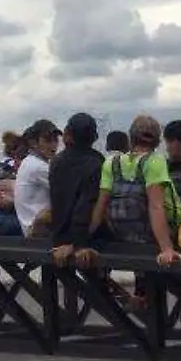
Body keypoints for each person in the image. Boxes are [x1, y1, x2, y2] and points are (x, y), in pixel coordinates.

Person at [90, 114, 181, 264]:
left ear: (130, 138)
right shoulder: (154, 161)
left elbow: (101, 205)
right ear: (157, 141)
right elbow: (156, 206)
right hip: (157, 235)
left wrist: (84, 238)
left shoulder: (111, 163)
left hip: (122, 234)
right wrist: (167, 248)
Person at [49, 113, 105, 266]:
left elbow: (58, 204)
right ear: (94, 138)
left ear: (68, 134)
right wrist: (78, 244)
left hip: (58, 237)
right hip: (85, 239)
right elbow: (86, 205)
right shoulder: (97, 163)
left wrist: (61, 240)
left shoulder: (56, 162)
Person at [14, 119, 60, 237]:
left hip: (31, 226)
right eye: (48, 140)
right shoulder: (38, 167)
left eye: (55, 140)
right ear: (34, 143)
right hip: (38, 231)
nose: (53, 144)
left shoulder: (30, 161)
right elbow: (69, 190)